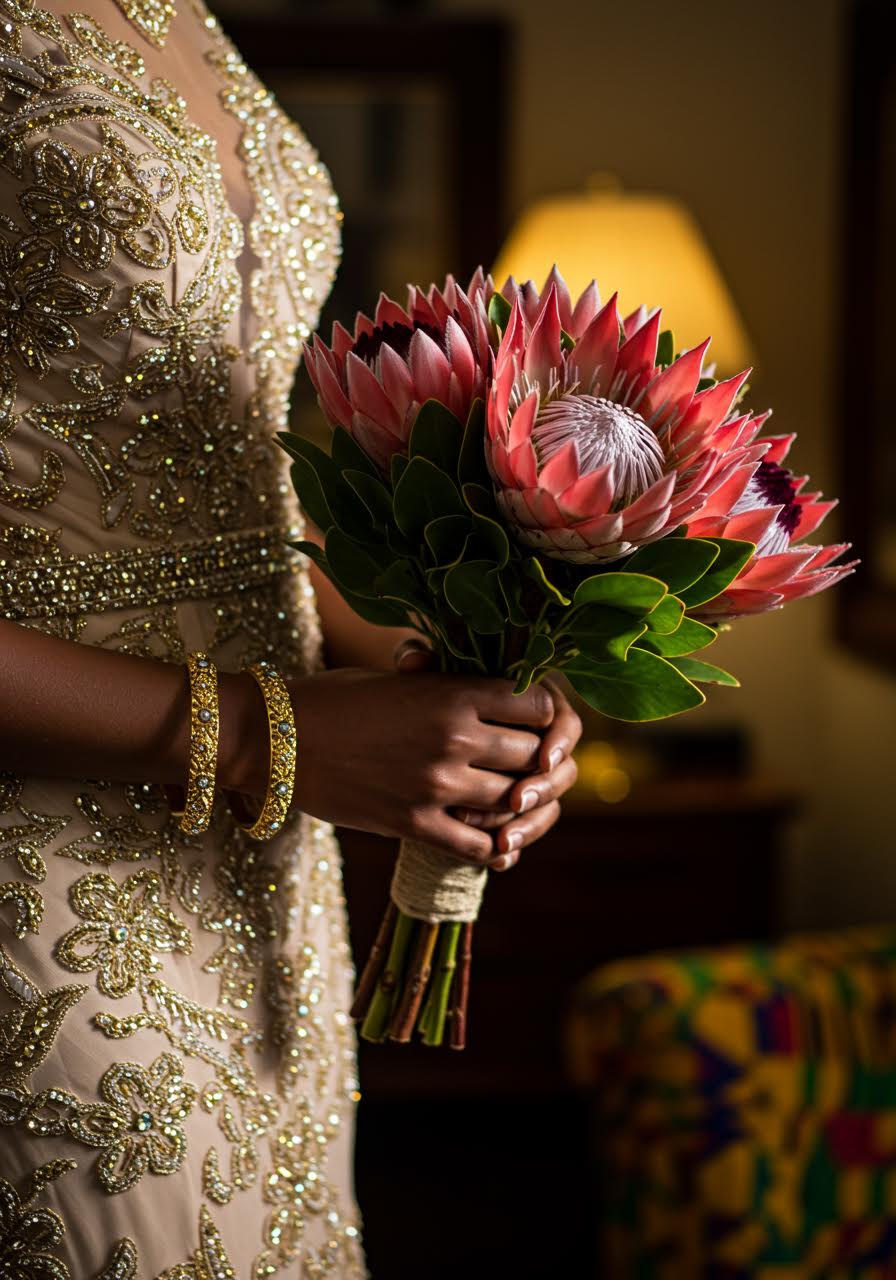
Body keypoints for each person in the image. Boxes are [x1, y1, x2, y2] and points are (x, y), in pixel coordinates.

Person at [0, 0, 582, 1274]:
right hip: (45, 846)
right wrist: (269, 734)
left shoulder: (184, 14)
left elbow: (231, 506)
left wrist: (440, 688)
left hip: (264, 874)